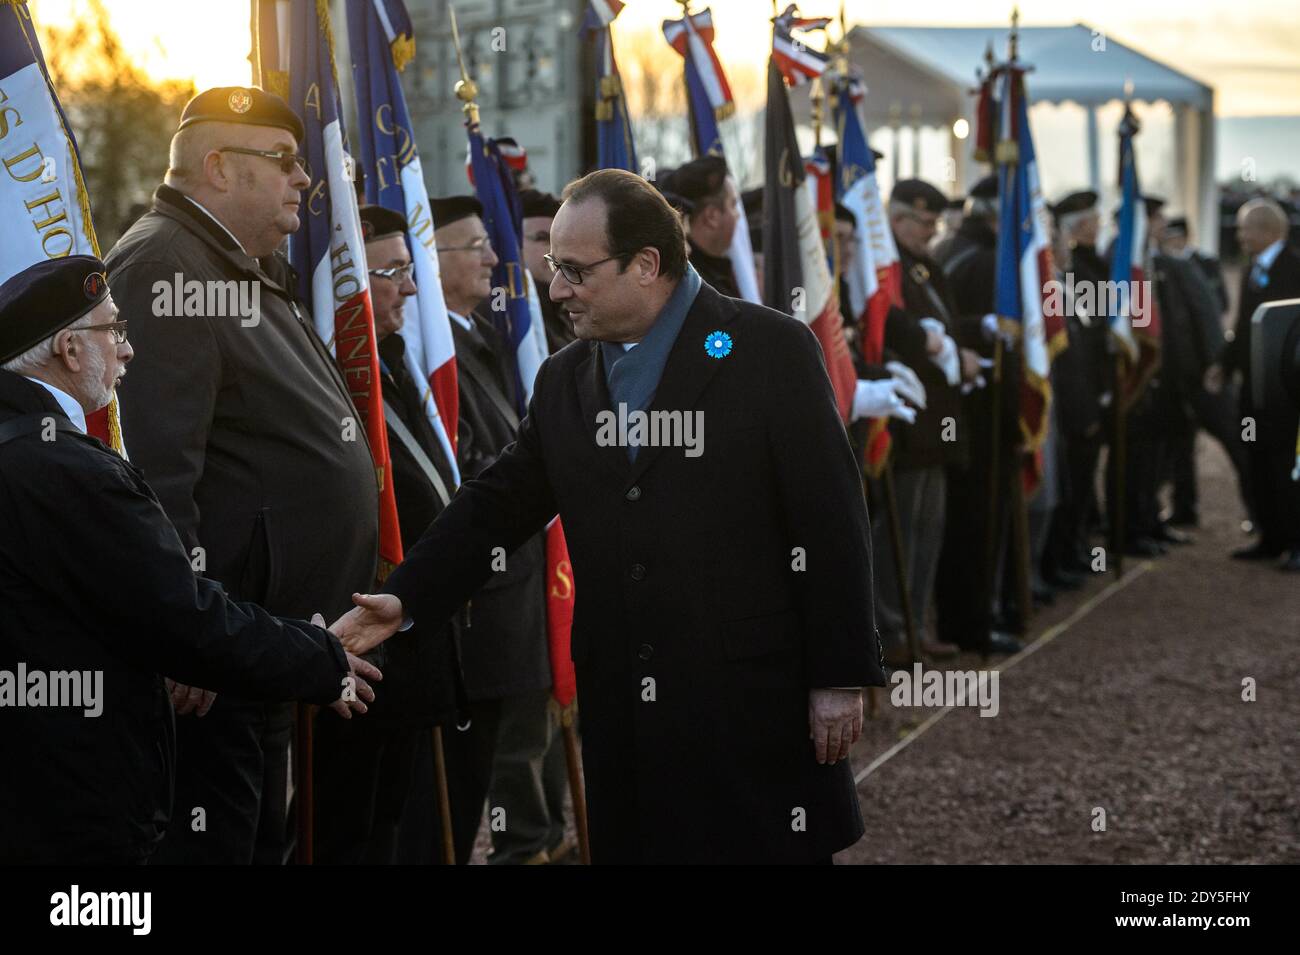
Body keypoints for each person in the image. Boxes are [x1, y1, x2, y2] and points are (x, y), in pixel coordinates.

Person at [335, 169, 884, 864]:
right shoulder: (567, 378)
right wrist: (406, 597)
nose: (556, 288)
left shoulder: (769, 350)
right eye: (556, 267)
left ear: (647, 264)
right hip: (630, 713)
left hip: (750, 710)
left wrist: (837, 675)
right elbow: (498, 502)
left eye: (574, 270)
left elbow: (831, 520)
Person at [0, 256, 380, 865]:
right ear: (70, 350)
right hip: (70, 802)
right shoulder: (69, 470)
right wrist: (318, 659)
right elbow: (181, 616)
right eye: (114, 331)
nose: (127, 350)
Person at [105, 86, 381, 864]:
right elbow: (155, 467)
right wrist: (186, 635)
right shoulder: (168, 262)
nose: (305, 181)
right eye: (285, 162)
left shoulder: (236, 262)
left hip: (259, 651)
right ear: (219, 167)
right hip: (215, 664)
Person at [311, 205, 463, 864]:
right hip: (357, 635)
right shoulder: (334, 372)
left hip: (413, 634)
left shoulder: (397, 360)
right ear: (347, 282)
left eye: (408, 268)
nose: (409, 287)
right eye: (392, 272)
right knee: (346, 825)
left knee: (392, 819)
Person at [430, 195, 554, 864]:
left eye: (487, 242)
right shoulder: (437, 346)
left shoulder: (482, 331)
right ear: (435, 259)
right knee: (498, 747)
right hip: (491, 582)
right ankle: (521, 848)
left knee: (526, 737)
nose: (490, 257)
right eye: (471, 246)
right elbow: (464, 461)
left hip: (526, 575)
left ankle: (534, 843)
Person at [873, 179, 969, 661]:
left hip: (938, 417)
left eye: (934, 224)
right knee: (902, 525)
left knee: (930, 525)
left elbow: (946, 323)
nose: (931, 233)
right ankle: (891, 629)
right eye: (924, 223)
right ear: (898, 218)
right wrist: (930, 343)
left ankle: (917, 622)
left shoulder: (925, 266)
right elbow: (887, 324)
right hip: (907, 415)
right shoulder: (885, 266)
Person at [933, 176, 1025, 655]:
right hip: (983, 410)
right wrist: (1018, 421)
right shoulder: (992, 263)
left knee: (961, 521)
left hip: (958, 409)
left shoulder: (949, 247)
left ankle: (968, 615)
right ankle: (973, 621)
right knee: (978, 521)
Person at [1212, 198, 1300, 569]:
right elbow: (1245, 327)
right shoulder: (1255, 271)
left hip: (1287, 395)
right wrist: (1224, 364)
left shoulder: (1294, 269)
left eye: (1245, 229)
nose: (1240, 236)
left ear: (1267, 231)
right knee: (1258, 461)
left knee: (1289, 468)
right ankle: (1270, 537)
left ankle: (1296, 542)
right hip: (1255, 393)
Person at [663, 155, 742, 298]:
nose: (738, 215)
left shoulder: (715, 277)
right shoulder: (693, 288)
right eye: (733, 204)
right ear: (712, 216)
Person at [521, 189, 574, 354]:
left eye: (560, 239)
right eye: (542, 238)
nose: (553, 251)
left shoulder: (576, 305)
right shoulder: (506, 313)